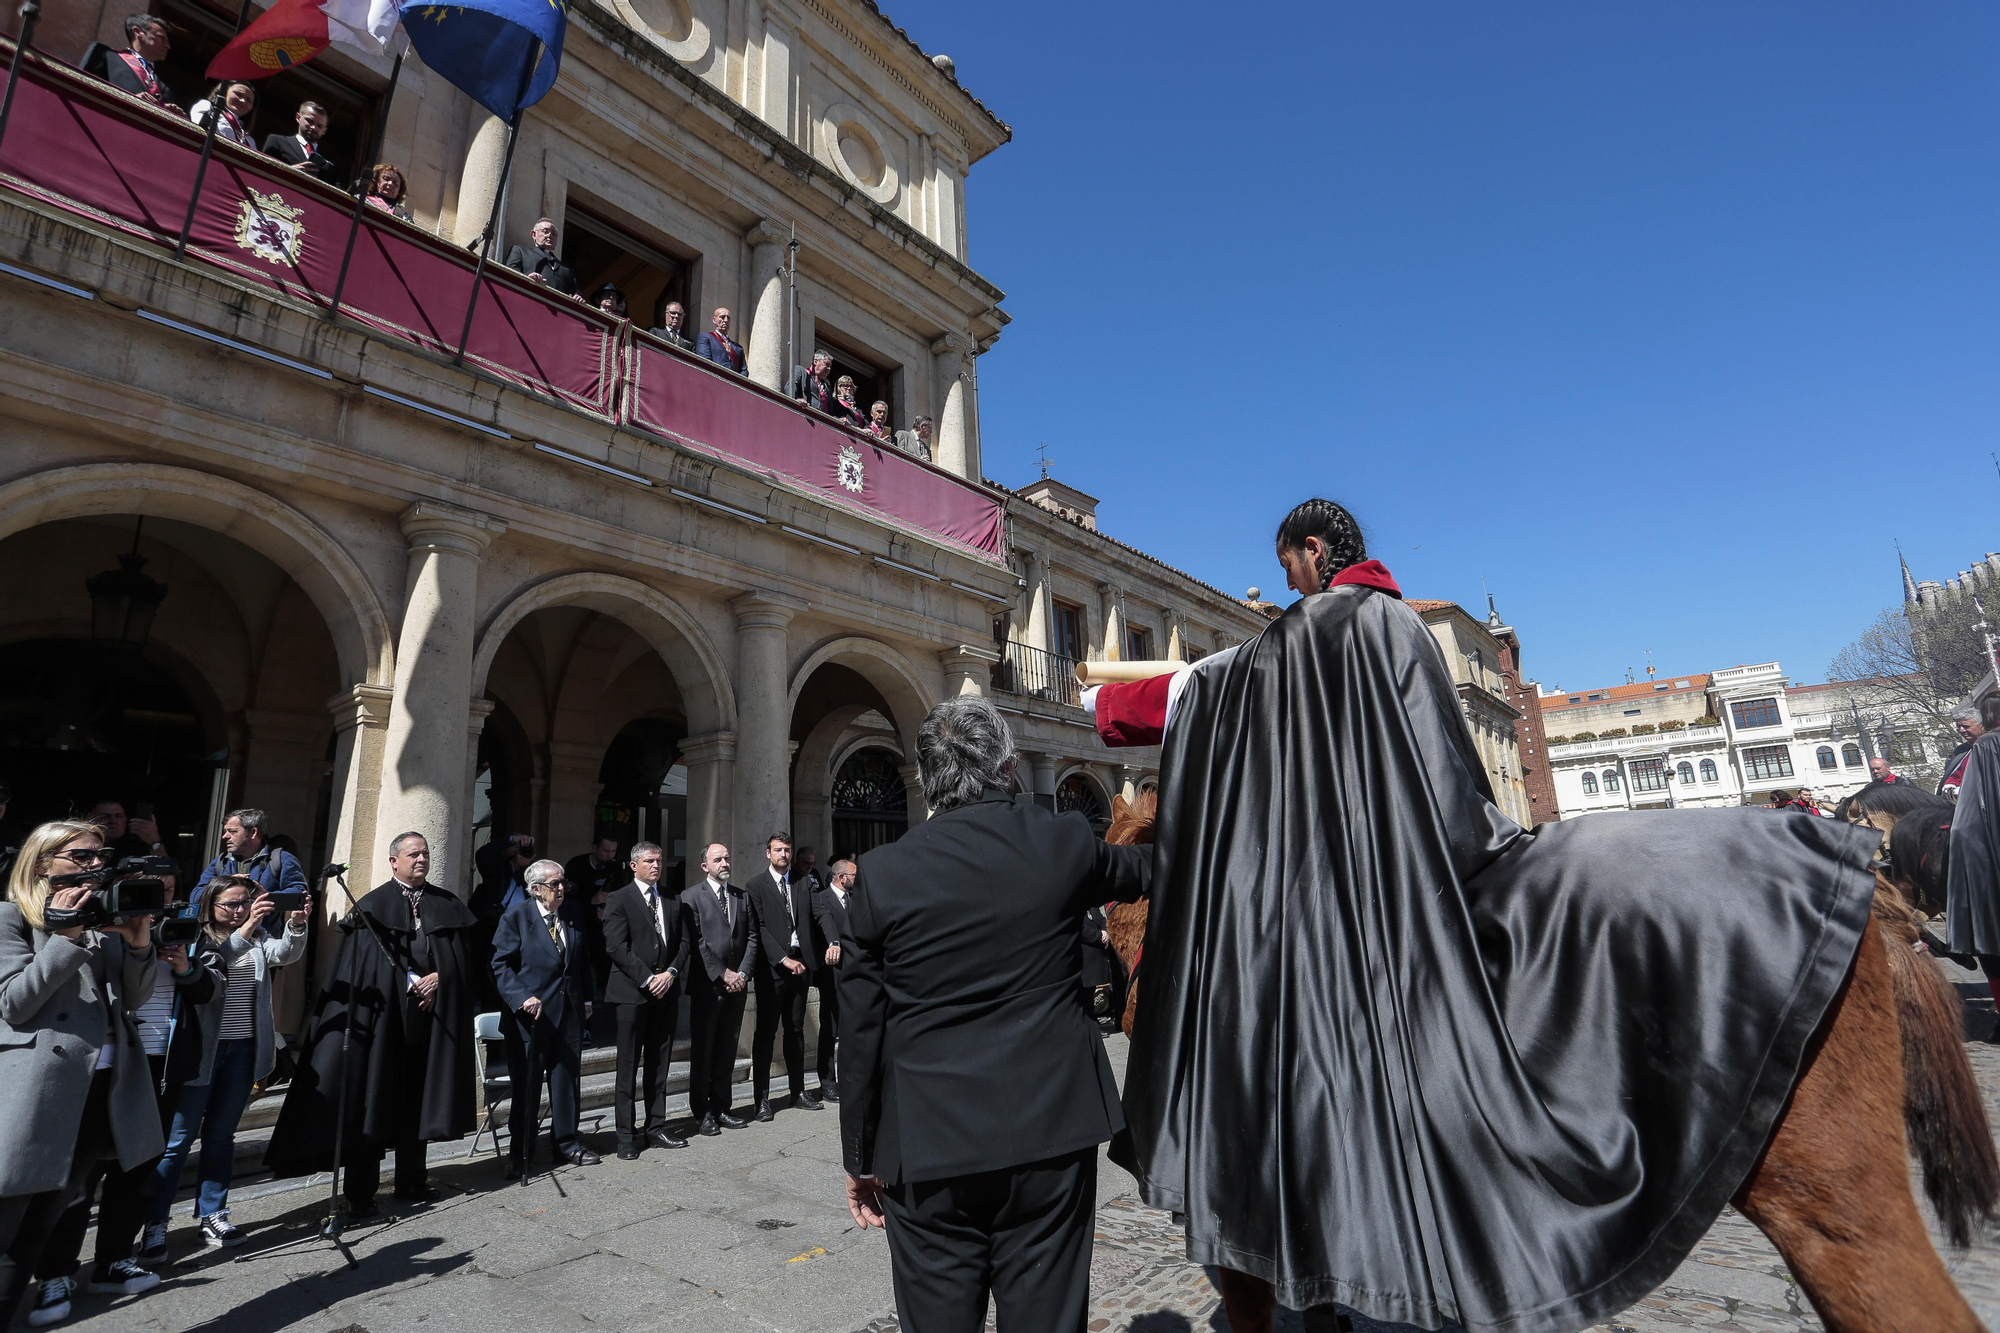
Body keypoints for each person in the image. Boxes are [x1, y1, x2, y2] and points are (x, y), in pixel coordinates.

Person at [1089, 497, 1881, 1333]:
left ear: (1312, 551)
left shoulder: (1328, 627)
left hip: (1370, 890)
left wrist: (1108, 711)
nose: (1290, 586)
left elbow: (1212, 687)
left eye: (1288, 567)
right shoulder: (1400, 627)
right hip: (1438, 846)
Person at [839, 697, 1151, 1331]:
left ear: (928, 781)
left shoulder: (882, 873)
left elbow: (861, 1030)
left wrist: (860, 1155)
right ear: (1008, 768)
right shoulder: (1060, 840)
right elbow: (1150, 869)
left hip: (928, 1142)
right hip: (1050, 1131)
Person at [0, 822, 163, 1326]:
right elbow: (14, 1004)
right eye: (83, 856)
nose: (97, 864)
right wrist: (65, 936)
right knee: (8, 1220)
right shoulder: (11, 918)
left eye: (101, 855)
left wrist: (138, 945)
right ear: (43, 863)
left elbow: (134, 999)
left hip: (103, 1088)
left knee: (47, 1219)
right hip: (41, 1090)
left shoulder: (103, 919)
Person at [265, 832, 479, 1215]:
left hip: (430, 1023)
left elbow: (465, 963)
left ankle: (412, 1180)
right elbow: (362, 971)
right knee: (373, 1100)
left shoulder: (446, 905)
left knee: (418, 1098)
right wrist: (406, 983)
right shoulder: (371, 908)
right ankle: (361, 1194)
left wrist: (441, 978)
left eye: (426, 853)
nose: (422, 859)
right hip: (383, 1023)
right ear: (393, 861)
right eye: (413, 854)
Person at [148, 875, 307, 1250]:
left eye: (244, 903)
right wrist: (250, 925)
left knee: (221, 1137)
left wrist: (296, 924)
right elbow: (216, 961)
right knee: (178, 1142)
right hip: (200, 1052)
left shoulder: (257, 938)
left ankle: (213, 1213)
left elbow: (284, 954)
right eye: (231, 904)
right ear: (210, 905)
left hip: (243, 1049)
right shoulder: (195, 936)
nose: (239, 911)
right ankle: (155, 1221)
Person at [490, 859, 598, 1178]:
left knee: (566, 1082)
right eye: (555, 884)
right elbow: (500, 965)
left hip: (569, 1013)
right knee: (527, 1086)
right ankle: (521, 1152)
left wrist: (588, 999)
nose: (561, 888)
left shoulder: (573, 914)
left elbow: (581, 960)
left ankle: (566, 1143)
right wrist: (522, 996)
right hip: (531, 1018)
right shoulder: (516, 917)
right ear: (536, 890)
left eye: (563, 882)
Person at [601, 842, 687, 1157]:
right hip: (632, 993)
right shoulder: (619, 899)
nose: (656, 865)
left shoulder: (672, 899)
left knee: (659, 1064)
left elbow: (684, 942)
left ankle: (656, 1128)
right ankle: (625, 1135)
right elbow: (615, 946)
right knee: (627, 1066)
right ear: (633, 865)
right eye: (649, 861)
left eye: (659, 861)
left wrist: (672, 972)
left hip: (666, 992)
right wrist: (648, 978)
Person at [679, 842, 756, 1135]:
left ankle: (723, 1107)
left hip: (738, 986)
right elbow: (696, 941)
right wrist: (723, 973)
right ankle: (703, 1113)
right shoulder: (691, 897)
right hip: (708, 987)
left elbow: (752, 937)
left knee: (727, 1049)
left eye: (727, 858)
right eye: (718, 859)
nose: (724, 863)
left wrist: (744, 973)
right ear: (705, 866)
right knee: (704, 1050)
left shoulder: (741, 896)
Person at [748, 833, 822, 1119]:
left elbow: (819, 914)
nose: (783, 854)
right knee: (766, 1032)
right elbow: (760, 928)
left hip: (800, 966)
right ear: (768, 853)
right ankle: (762, 1099)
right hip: (772, 969)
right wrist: (783, 959)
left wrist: (833, 942)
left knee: (796, 1030)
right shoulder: (756, 885)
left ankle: (797, 1091)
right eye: (778, 850)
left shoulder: (804, 882)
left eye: (787, 850)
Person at [192, 808, 307, 913]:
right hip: (223, 935)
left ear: (253, 833)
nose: (224, 836)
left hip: (263, 934)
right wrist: (224, 886)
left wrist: (264, 897)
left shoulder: (281, 859)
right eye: (225, 831)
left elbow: (299, 895)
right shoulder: (221, 862)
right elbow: (195, 897)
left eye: (232, 832)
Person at [809, 857, 854, 1102]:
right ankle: (827, 1082)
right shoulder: (820, 899)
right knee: (830, 1029)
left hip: (855, 974)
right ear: (842, 877)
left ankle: (849, 1079)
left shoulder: (856, 899)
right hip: (831, 974)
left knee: (851, 1030)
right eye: (854, 876)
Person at [100, 15, 181, 114]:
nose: (167, 46)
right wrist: (129, 100)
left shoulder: (166, 84)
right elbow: (85, 93)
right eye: (162, 38)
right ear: (138, 32)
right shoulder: (105, 55)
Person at [260, 102, 337, 184]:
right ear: (298, 117)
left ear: (324, 131)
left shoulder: (330, 162)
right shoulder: (277, 141)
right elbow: (262, 170)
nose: (313, 127)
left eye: (319, 126)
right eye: (310, 121)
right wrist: (288, 171)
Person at [1939, 700, 2000, 797]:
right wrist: (1950, 786)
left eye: (1966, 726)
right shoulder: (1961, 751)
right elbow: (1956, 775)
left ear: (1982, 726)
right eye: (1959, 727)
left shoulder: (1993, 747)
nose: (1961, 730)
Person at [504, 218, 578, 296]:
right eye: (545, 231)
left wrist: (577, 296)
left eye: (554, 234)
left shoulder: (567, 269)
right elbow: (510, 274)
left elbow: (576, 293)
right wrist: (526, 278)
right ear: (534, 234)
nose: (550, 236)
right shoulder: (521, 252)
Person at [83, 801, 160, 863]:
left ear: (126, 820)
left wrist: (154, 841)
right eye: (105, 816)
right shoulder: (82, 844)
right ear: (91, 819)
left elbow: (166, 871)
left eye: (118, 816)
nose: (113, 821)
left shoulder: (137, 846)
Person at [188, 81, 257, 150]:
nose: (243, 101)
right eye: (238, 94)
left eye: (249, 100)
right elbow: (199, 128)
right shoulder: (207, 106)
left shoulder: (250, 140)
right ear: (224, 92)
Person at [696, 308, 745, 374]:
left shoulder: (738, 348)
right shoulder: (706, 337)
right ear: (714, 320)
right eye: (722, 317)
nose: (726, 320)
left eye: (728, 318)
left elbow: (743, 370)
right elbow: (704, 362)